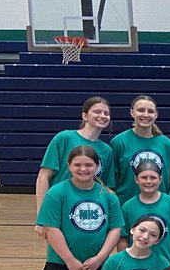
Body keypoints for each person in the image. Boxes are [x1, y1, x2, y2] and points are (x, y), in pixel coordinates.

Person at [35, 97, 114, 227]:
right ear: (85, 116)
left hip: (87, 212)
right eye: (97, 112)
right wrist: (42, 213)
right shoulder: (64, 138)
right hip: (59, 207)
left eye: (106, 113)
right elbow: (44, 176)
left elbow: (106, 187)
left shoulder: (107, 150)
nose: (102, 116)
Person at [108, 95, 170, 204]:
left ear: (156, 115)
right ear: (132, 112)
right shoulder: (119, 142)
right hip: (126, 207)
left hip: (159, 208)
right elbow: (109, 182)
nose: (146, 115)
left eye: (151, 111)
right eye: (140, 110)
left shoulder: (167, 145)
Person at [120, 160, 170, 264]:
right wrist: (125, 260)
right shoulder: (128, 206)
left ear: (160, 180)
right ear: (136, 179)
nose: (148, 181)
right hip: (136, 264)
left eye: (153, 177)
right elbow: (123, 237)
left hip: (166, 264)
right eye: (143, 177)